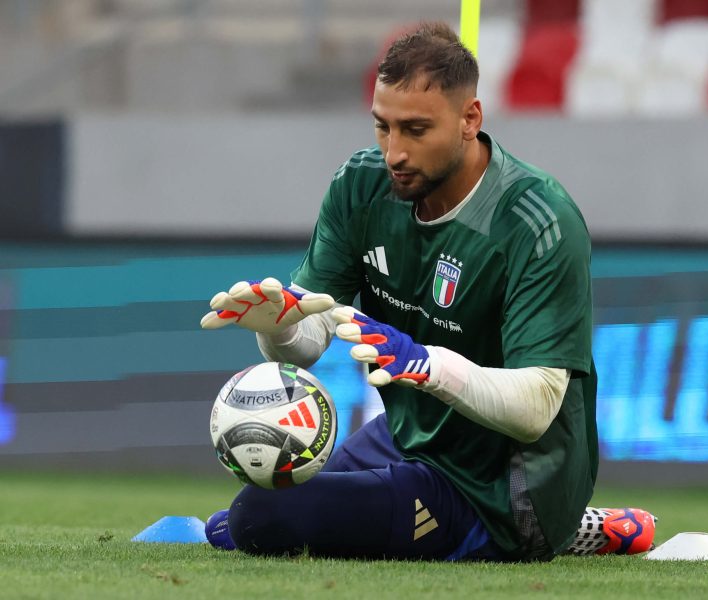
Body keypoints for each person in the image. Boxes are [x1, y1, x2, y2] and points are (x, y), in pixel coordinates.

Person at [201, 22, 655, 561]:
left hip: (504, 485)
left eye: (415, 130)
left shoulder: (538, 221)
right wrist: (278, 329)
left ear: (470, 119)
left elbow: (537, 407)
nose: (393, 152)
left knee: (260, 518)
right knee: (234, 519)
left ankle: (564, 525)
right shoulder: (362, 186)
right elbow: (312, 332)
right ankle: (590, 526)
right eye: (383, 127)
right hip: (412, 438)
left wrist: (426, 365)